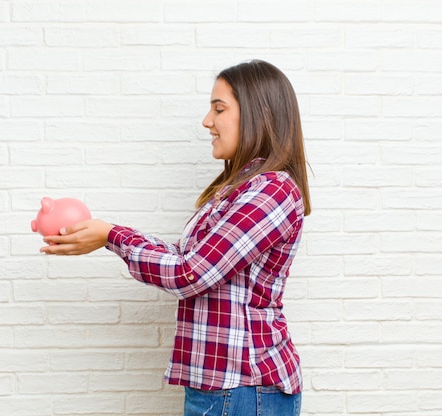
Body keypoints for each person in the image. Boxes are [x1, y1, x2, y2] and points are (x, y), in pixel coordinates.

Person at [41, 59, 311, 416]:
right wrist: (107, 236)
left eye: (219, 109)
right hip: (222, 386)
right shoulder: (240, 189)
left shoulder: (272, 190)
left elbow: (192, 274)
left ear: (258, 113)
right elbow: (187, 258)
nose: (207, 121)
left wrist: (112, 234)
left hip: (245, 387)